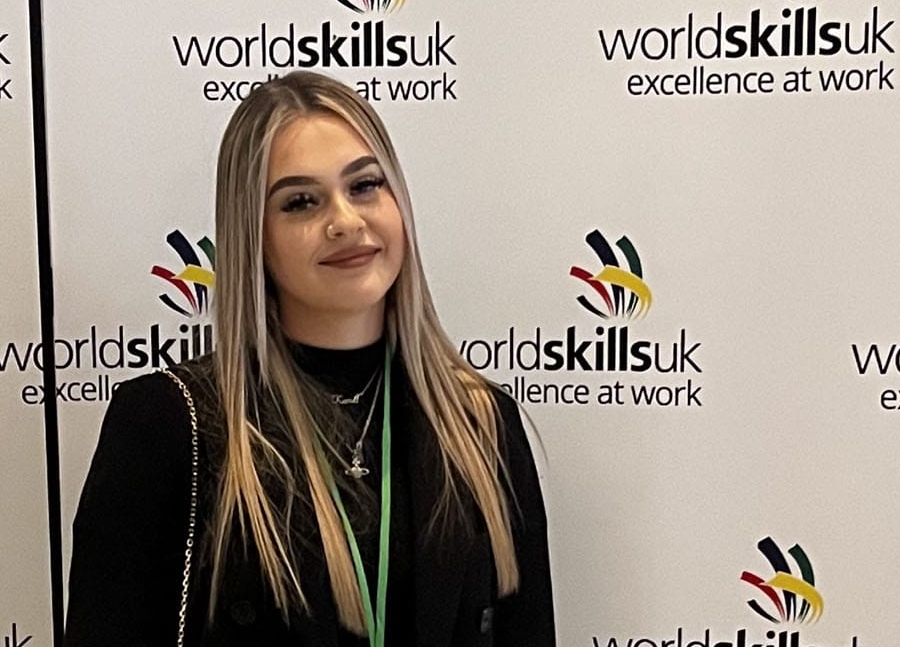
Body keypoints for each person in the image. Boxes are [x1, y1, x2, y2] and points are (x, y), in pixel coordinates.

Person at [63, 70, 554, 646]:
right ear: (254, 235)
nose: (345, 221)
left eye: (365, 185)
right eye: (300, 202)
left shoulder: (481, 423)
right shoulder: (168, 425)